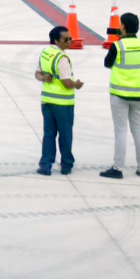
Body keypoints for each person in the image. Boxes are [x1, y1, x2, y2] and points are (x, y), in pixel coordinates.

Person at [101, 12, 140, 180]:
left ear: (123, 27)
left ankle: (118, 167)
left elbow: (107, 63)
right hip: (139, 94)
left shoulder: (118, 46)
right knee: (138, 130)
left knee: (121, 131)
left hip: (120, 94)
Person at [36, 26, 83, 176]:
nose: (70, 41)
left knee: (49, 134)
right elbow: (66, 82)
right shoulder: (62, 58)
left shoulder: (45, 53)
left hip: (47, 101)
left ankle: (45, 165)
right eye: (66, 39)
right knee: (65, 135)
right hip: (63, 104)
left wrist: (44, 78)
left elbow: (37, 73)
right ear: (56, 40)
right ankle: (66, 164)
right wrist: (76, 84)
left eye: (70, 38)